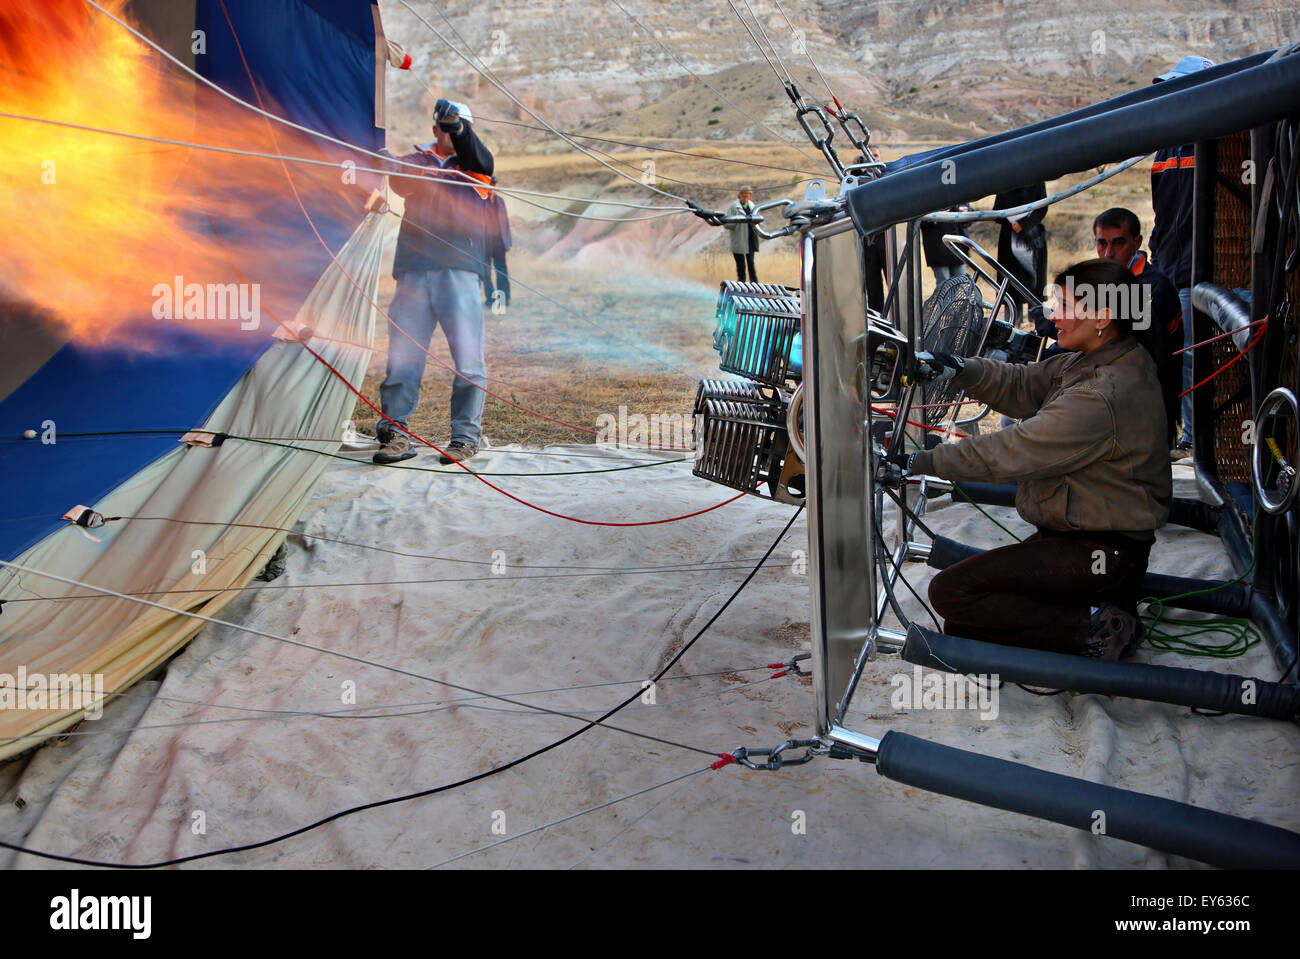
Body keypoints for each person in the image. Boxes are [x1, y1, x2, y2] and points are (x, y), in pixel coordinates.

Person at [886, 259, 1172, 659]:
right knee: (964, 624)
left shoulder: (1103, 392)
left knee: (951, 592)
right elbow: (1023, 384)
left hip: (1100, 554)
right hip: (1081, 543)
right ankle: (1087, 617)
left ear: (1104, 316)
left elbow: (1012, 451)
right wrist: (956, 368)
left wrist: (918, 463)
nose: (1055, 315)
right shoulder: (1095, 357)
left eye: (1067, 306)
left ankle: (1100, 626)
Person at [371, 98, 494, 466]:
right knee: (402, 359)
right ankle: (395, 436)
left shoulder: (477, 165)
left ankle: (465, 439)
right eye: (446, 126)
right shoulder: (416, 163)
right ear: (433, 130)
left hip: (459, 269)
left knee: (468, 362)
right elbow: (401, 181)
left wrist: (459, 127)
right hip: (413, 270)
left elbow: (480, 159)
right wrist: (387, 160)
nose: (452, 132)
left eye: (460, 127)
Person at [1150, 55, 1215, 461]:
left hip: (1196, 266)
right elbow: (1164, 210)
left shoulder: (1214, 142)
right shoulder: (1164, 145)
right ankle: (1168, 434)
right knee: (1162, 352)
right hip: (1167, 266)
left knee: (1193, 354)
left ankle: (1194, 438)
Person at [993, 182, 1048, 318]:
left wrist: (1024, 224)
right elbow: (997, 211)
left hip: (1032, 238)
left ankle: (1036, 324)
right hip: (1009, 240)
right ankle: (1012, 324)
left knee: (1034, 285)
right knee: (1010, 286)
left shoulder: (1038, 180)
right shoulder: (1004, 182)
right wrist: (1011, 222)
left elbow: (1042, 208)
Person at [921, 206, 972, 286]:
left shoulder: (958, 195)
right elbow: (920, 221)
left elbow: (969, 215)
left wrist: (964, 212)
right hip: (937, 248)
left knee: (961, 283)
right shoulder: (927, 198)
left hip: (957, 247)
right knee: (943, 285)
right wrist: (937, 215)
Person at [482, 177, 511, 312]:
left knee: (502, 272)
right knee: (486, 273)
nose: (491, 187)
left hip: (499, 241)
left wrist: (508, 242)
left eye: (493, 184)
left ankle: (504, 299)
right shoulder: (479, 201)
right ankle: (490, 299)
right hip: (484, 242)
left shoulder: (500, 201)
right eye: (489, 184)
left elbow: (505, 223)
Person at [725, 187, 761, 282]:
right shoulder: (733, 206)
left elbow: (758, 219)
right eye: (744, 196)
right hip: (739, 239)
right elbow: (726, 223)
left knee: (751, 264)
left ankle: (754, 285)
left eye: (748, 196)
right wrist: (735, 223)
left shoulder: (752, 206)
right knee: (741, 266)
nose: (746, 198)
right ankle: (741, 286)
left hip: (750, 238)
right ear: (740, 195)